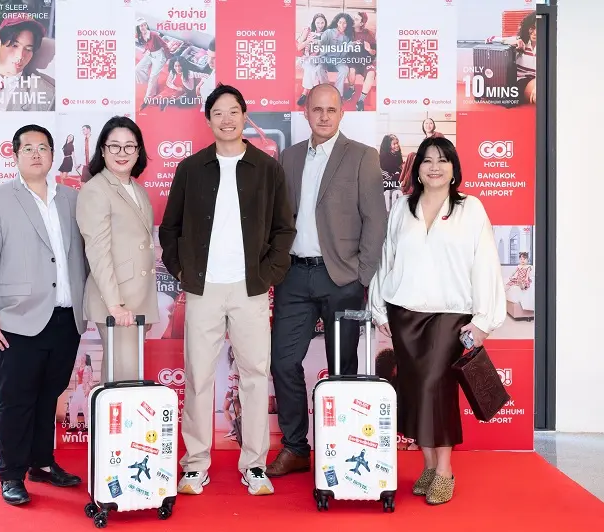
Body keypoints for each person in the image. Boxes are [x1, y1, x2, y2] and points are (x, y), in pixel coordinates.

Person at [159, 83, 297, 496]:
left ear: (244, 116)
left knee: (254, 375)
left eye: (233, 111)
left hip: (249, 288)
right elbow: (170, 227)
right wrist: (181, 270)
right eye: (218, 112)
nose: (226, 119)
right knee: (198, 377)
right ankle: (195, 464)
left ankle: (254, 464)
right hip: (202, 288)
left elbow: (283, 228)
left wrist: (269, 274)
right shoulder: (191, 168)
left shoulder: (267, 168)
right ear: (208, 120)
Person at [369, 136, 506, 505]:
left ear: (453, 168)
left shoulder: (470, 209)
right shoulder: (402, 208)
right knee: (415, 389)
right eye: (427, 160)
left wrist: (484, 320)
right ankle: (428, 466)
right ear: (417, 168)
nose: (434, 167)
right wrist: (379, 307)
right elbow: (387, 258)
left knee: (436, 388)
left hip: (450, 315)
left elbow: (485, 262)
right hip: (405, 314)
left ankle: (444, 470)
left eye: (442, 160)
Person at [266, 83, 387, 478]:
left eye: (330, 110)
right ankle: (296, 447)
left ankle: (343, 448)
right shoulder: (289, 157)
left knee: (343, 367)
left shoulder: (363, 156)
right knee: (283, 361)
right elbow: (279, 218)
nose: (323, 116)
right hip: (294, 277)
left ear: (341, 113)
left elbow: (376, 221)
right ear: (306, 113)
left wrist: (361, 276)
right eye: (316, 109)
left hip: (342, 278)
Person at [0, 124, 88, 506]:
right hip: (17, 319)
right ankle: (11, 474)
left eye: (43, 147)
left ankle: (42, 463)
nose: (36, 154)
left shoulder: (72, 199)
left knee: (49, 395)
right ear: (15, 156)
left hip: (66, 317)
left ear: (53, 155)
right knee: (16, 400)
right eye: (28, 148)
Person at [76, 116, 158, 381]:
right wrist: (114, 305)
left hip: (139, 298)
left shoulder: (138, 190)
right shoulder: (96, 190)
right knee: (122, 379)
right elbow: (97, 251)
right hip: (117, 301)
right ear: (102, 150)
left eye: (129, 146)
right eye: (114, 146)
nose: (122, 153)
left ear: (138, 150)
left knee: (126, 377)